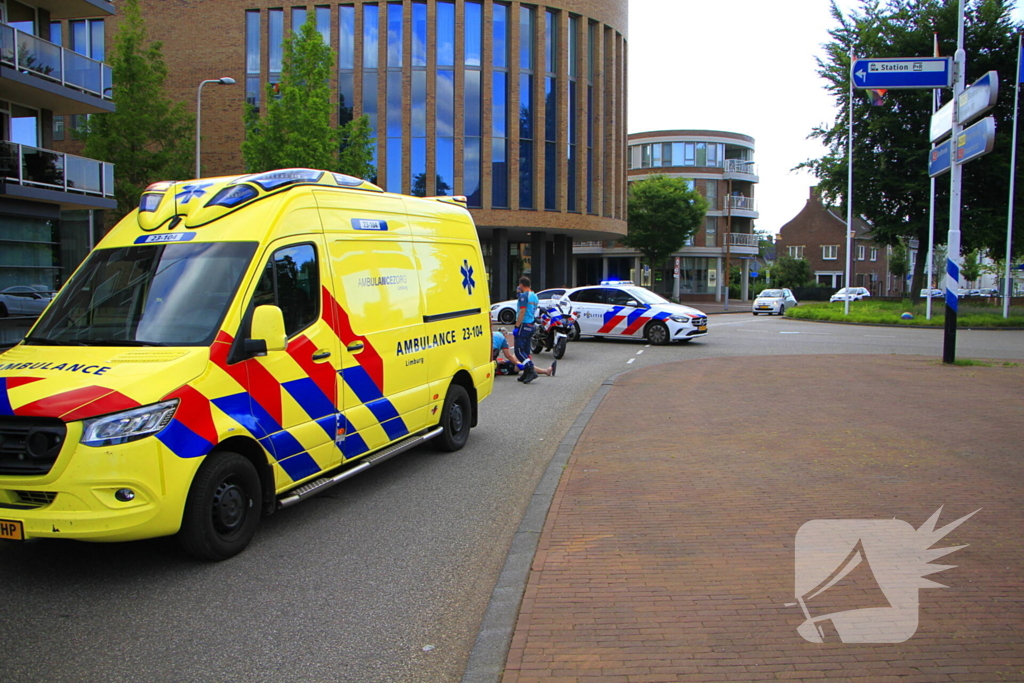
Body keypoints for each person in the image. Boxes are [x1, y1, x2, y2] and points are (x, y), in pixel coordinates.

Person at [513, 277, 556, 383]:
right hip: (531, 325)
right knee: (526, 351)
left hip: (523, 324)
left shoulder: (524, 296)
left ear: (521, 285)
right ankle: (526, 373)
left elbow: (522, 311)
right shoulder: (535, 296)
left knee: (518, 351)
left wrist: (517, 325)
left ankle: (531, 370)